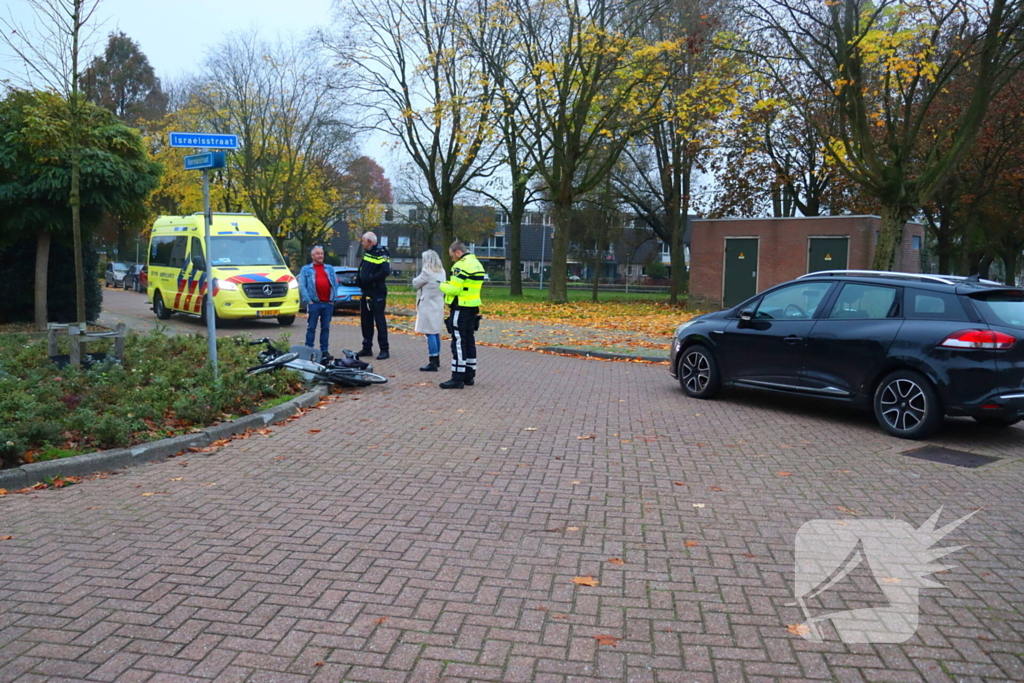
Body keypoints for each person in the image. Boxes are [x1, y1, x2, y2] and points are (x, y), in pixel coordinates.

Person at [439, 241, 485, 389]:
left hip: (461, 307)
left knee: (458, 342)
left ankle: (457, 378)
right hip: (473, 307)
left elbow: (453, 290)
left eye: (452, 256)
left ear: (457, 252)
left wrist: (442, 285)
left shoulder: (460, 266)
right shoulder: (477, 263)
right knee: (469, 340)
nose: (452, 259)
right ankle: (469, 376)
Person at [356, 231, 391, 359]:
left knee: (379, 321)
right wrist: (359, 280)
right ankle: (367, 348)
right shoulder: (368, 253)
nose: (362, 243)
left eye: (363, 241)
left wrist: (370, 278)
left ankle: (384, 349)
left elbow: (385, 271)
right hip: (366, 292)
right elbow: (363, 268)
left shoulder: (381, 253)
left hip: (377, 292)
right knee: (366, 321)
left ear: (370, 242)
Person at [298, 246, 338, 359]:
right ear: (312, 256)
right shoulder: (306, 269)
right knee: (311, 328)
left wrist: (332, 300)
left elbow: (335, 284)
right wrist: (309, 301)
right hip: (314, 303)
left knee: (325, 328)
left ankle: (324, 351)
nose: (320, 256)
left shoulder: (329, 268)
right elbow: (302, 286)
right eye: (318, 253)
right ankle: (308, 349)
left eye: (322, 253)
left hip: (327, 304)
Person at [413, 250, 446, 372]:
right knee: (435, 331)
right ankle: (436, 359)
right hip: (438, 304)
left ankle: (432, 360)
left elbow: (415, 283)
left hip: (427, 305)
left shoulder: (426, 272)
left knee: (429, 332)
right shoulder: (442, 271)